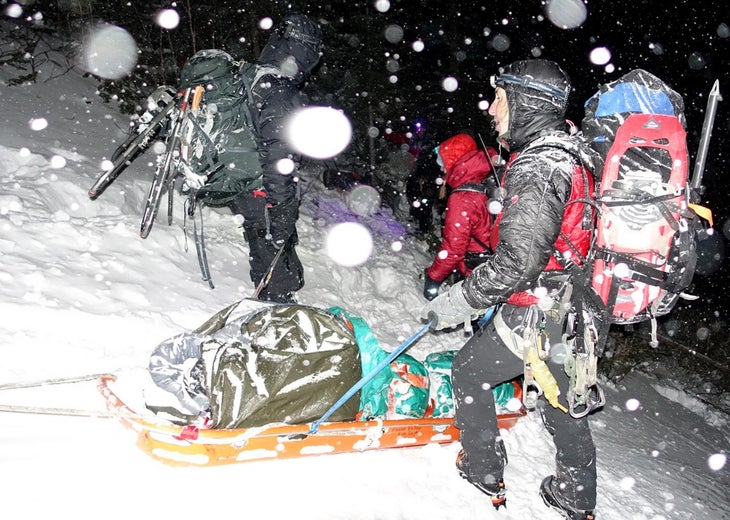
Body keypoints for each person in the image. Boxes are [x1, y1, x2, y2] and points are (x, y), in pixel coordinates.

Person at [422, 59, 598, 520]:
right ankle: (576, 495)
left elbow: (518, 262)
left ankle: (483, 468)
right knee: (564, 399)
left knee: (469, 371)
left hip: (540, 309)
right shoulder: (571, 152)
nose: (493, 108)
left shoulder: (540, 164)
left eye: (500, 98)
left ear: (526, 103)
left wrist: (458, 299)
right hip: (575, 306)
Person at [226, 13, 322, 303]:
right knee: (270, 250)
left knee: (266, 243)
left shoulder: (252, 76)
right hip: (261, 187)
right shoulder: (278, 91)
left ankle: (277, 294)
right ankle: (273, 308)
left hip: (242, 177)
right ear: (303, 51)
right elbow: (278, 157)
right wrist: (281, 212)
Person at [422, 133, 500, 300]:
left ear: (455, 162)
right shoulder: (486, 180)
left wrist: (433, 277)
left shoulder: (463, 197)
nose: (442, 169)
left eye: (444, 163)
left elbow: (453, 249)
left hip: (477, 272)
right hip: (495, 264)